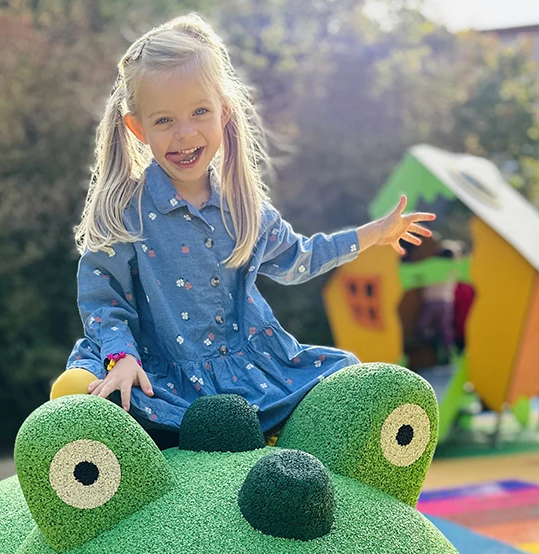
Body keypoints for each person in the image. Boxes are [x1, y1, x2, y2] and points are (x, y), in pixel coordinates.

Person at [51, 13, 434, 447]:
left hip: (248, 371)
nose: (185, 134)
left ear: (224, 113)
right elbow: (105, 300)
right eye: (164, 121)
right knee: (85, 392)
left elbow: (298, 258)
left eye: (200, 112)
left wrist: (372, 235)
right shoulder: (126, 210)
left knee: (344, 372)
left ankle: (270, 440)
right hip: (159, 371)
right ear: (137, 128)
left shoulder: (243, 207)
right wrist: (120, 358)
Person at [414, 241, 460, 361]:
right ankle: (447, 351)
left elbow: (420, 277)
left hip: (432, 301)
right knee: (446, 329)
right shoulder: (452, 269)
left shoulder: (433, 267)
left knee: (421, 326)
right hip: (446, 301)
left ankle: (429, 339)